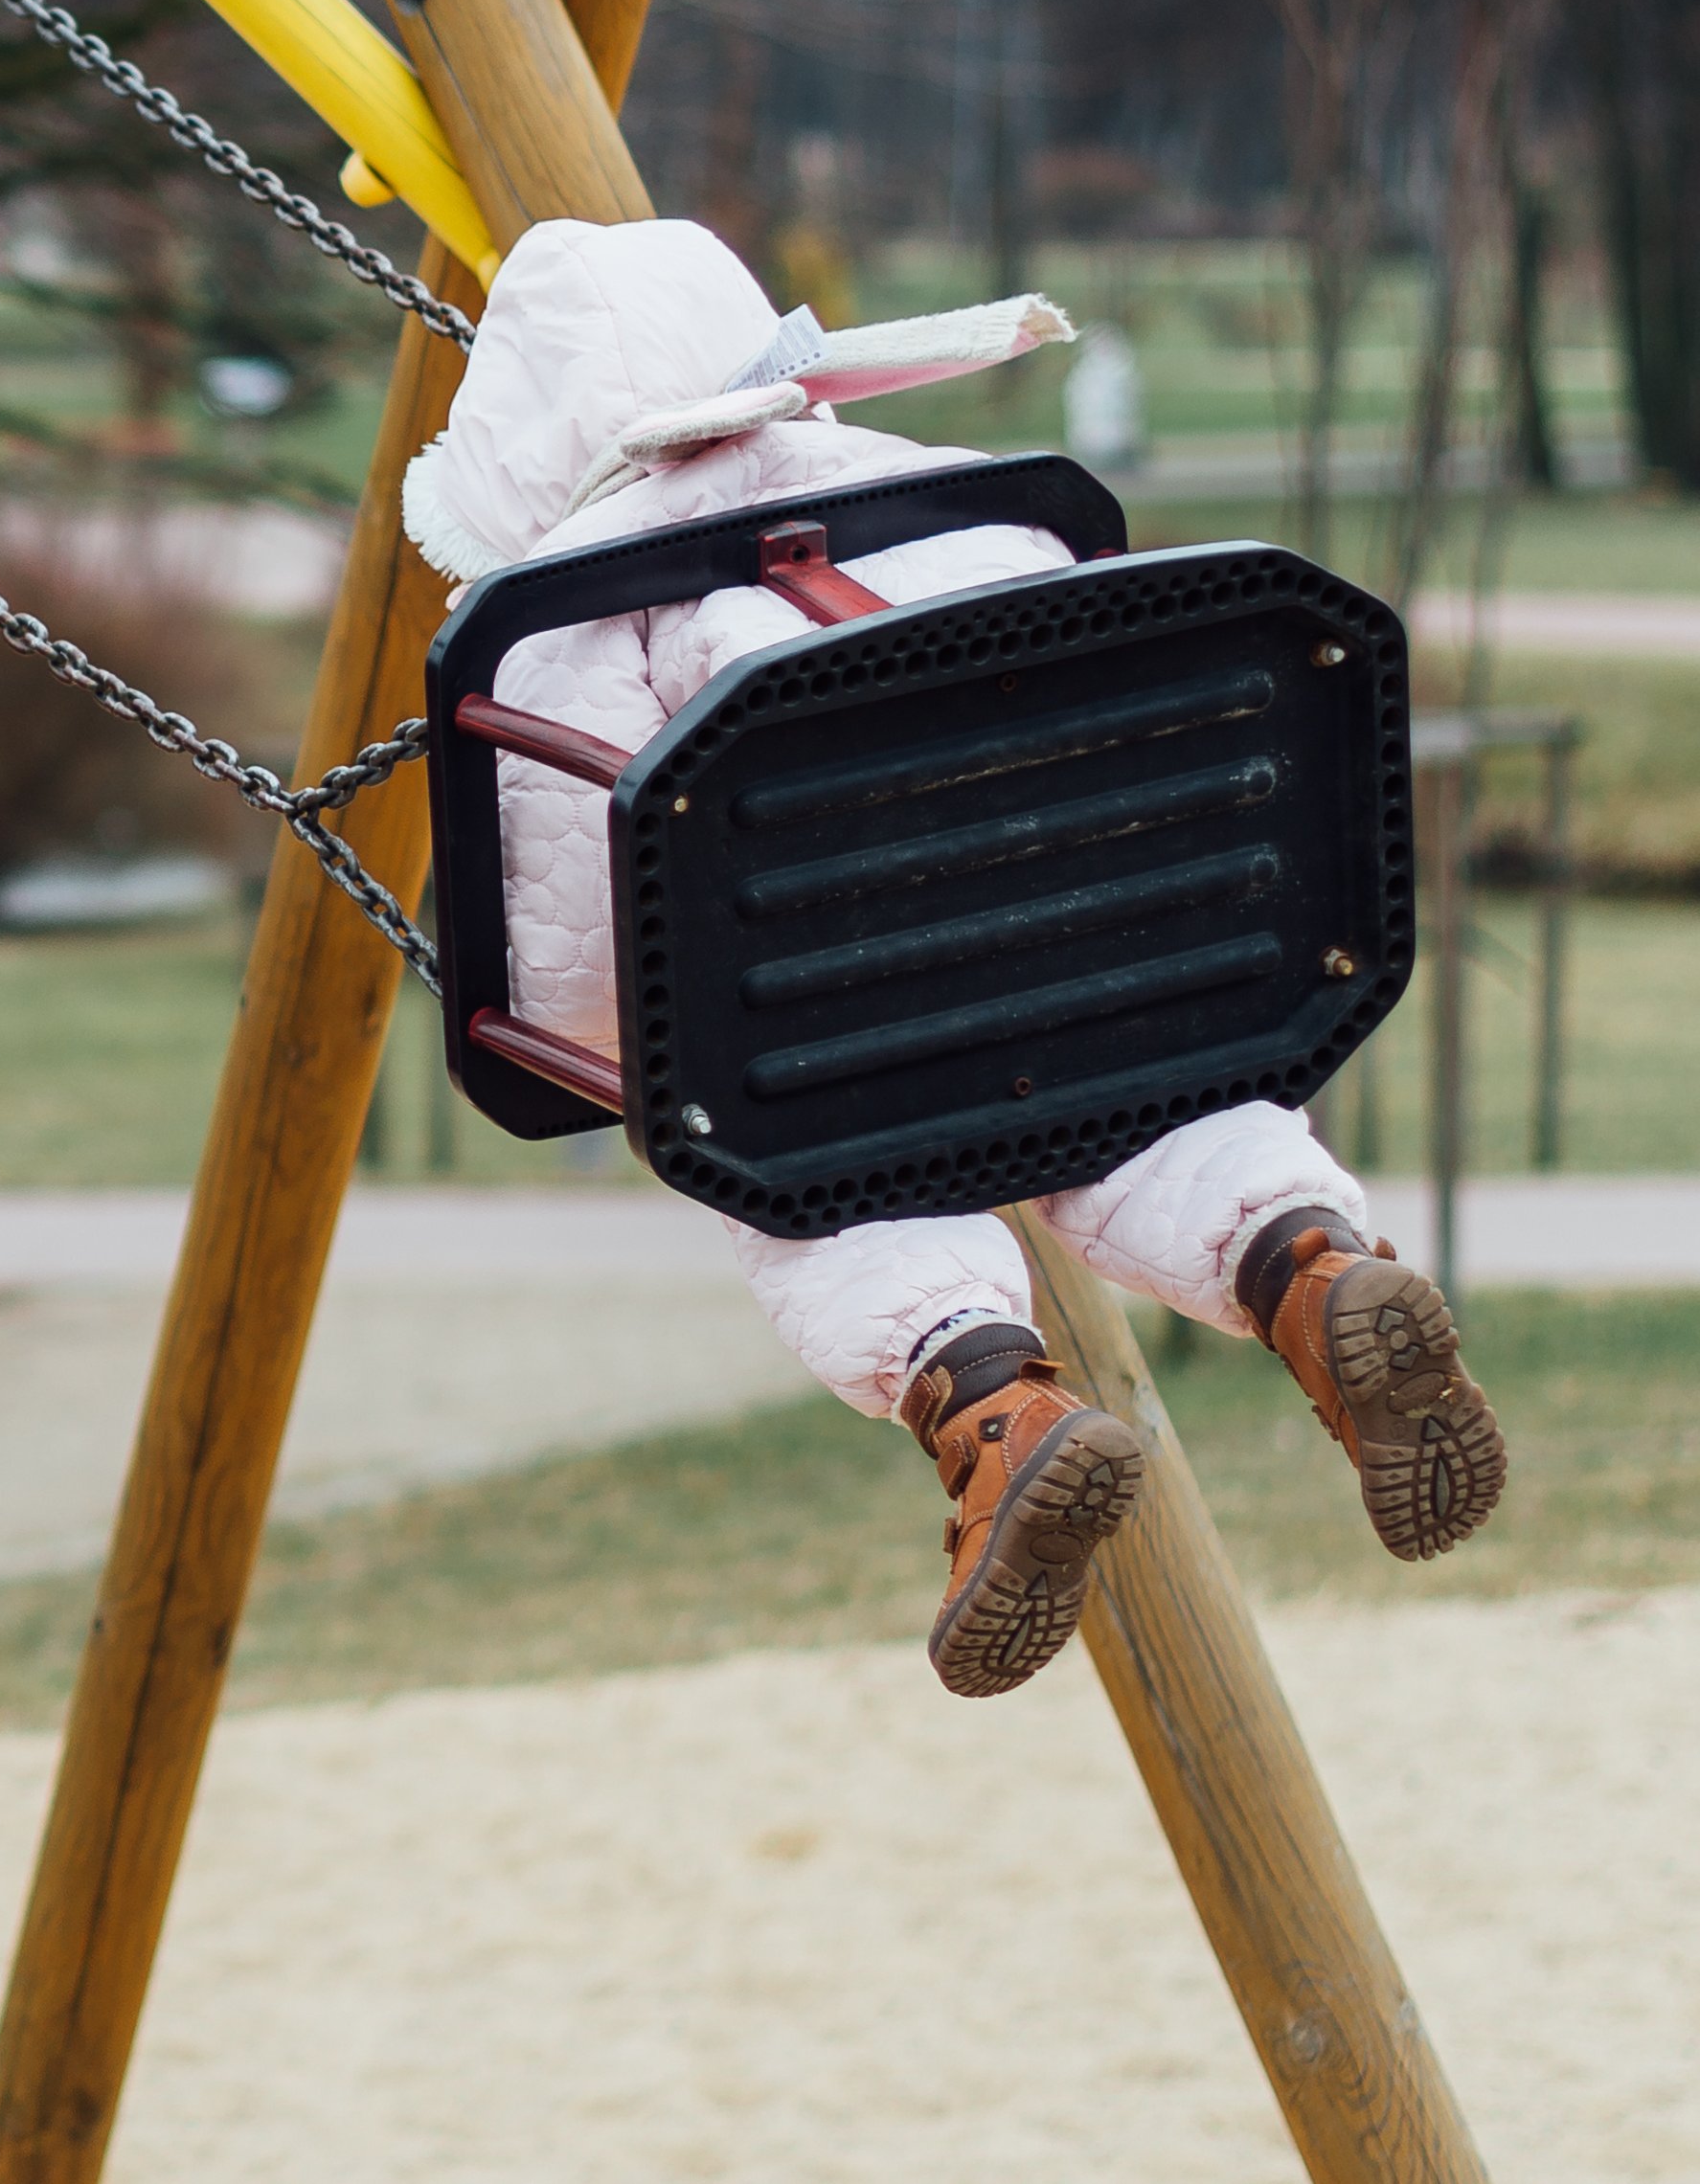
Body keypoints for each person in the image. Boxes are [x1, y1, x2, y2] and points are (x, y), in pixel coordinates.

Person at [398, 217, 1507, 1698]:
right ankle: (1310, 1266)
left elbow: (589, 967)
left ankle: (992, 1404)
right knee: (1156, 1113)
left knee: (806, 1183)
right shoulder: (955, 493)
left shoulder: (574, 620)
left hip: (837, 1029)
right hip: (1112, 955)